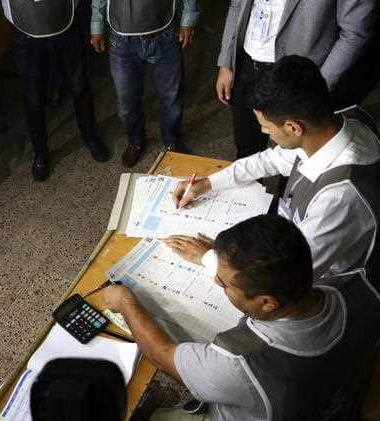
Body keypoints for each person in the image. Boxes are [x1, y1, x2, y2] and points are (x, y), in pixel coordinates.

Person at [103, 215, 380, 421]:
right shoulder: (359, 286)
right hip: (322, 413)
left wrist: (126, 303)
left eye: (225, 285)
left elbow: (163, 356)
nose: (220, 285)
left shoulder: (243, 358)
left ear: (267, 303)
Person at [172, 56, 380, 286]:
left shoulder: (340, 196)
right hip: (291, 234)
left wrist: (211, 258)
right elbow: (271, 160)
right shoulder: (330, 125)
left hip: (324, 280)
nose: (264, 132)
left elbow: (288, 276)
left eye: (266, 126)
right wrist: (209, 182)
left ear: (293, 127)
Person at [215, 0, 375, 158]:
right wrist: (226, 62)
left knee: (299, 157)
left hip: (298, 79)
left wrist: (317, 84)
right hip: (248, 65)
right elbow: (236, 5)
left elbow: (354, 33)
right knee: (247, 148)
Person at [2, 0, 110, 181]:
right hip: (25, 29)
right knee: (33, 97)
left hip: (65, 22)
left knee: (79, 86)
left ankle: (91, 137)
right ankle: (40, 154)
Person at [90, 0, 200, 167]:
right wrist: (96, 26)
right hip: (121, 41)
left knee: (171, 98)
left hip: (164, 34)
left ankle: (172, 140)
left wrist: (188, 19)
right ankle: (136, 141)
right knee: (127, 104)